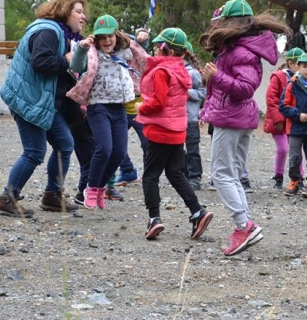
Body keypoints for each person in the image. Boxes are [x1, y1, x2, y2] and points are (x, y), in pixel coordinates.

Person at [200, 0, 291, 256]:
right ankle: (246, 224)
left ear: (231, 22)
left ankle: (244, 225)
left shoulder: (241, 51)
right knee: (233, 172)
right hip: (238, 117)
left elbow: (244, 89)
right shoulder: (239, 48)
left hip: (231, 116)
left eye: (221, 20)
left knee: (221, 173)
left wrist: (215, 76)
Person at [0, 0, 87, 218]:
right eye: (78, 11)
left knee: (65, 144)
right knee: (34, 151)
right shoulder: (48, 31)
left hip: (43, 101)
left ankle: (52, 196)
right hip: (29, 99)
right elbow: (41, 62)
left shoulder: (59, 33)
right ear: (64, 11)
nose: (83, 17)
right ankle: (8, 198)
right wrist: (66, 60)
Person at [136, 28, 213, 240]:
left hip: (160, 131)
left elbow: (159, 102)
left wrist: (141, 106)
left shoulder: (162, 71)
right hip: (178, 131)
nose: (153, 50)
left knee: (150, 176)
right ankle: (198, 212)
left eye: (156, 46)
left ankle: (154, 218)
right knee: (176, 173)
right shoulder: (181, 71)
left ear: (165, 49)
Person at [67, 15, 135, 209]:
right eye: (102, 37)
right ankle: (91, 188)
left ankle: (98, 187)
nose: (106, 41)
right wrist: (82, 48)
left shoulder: (122, 53)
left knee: (119, 152)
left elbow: (137, 51)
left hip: (119, 108)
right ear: (96, 39)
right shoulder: (91, 54)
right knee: (104, 148)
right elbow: (76, 66)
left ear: (116, 36)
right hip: (98, 107)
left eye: (110, 36)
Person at [279, 52, 307, 199]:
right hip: (295, 128)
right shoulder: (291, 85)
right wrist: (298, 115)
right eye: (304, 66)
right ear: (298, 67)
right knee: (295, 156)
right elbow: (283, 106)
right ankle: (295, 180)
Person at [115, 34, 151, 186]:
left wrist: (139, 39)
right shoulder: (106, 52)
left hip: (137, 102)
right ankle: (128, 171)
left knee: (147, 142)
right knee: (115, 143)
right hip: (118, 103)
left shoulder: (133, 49)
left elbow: (146, 60)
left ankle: (149, 175)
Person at [264, 48, 302, 190]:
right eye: (298, 64)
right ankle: (278, 176)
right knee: (283, 149)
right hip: (279, 122)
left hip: (294, 121)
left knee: (298, 150)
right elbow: (271, 99)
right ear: (290, 63)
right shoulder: (279, 77)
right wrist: (278, 119)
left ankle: (299, 178)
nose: (300, 67)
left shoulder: (303, 79)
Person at [183, 41, 206, 190]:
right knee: (177, 149)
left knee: (192, 149)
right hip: (175, 118)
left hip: (190, 118)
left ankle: (195, 176)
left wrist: (186, 92)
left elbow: (203, 92)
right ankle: (184, 174)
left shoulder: (193, 73)